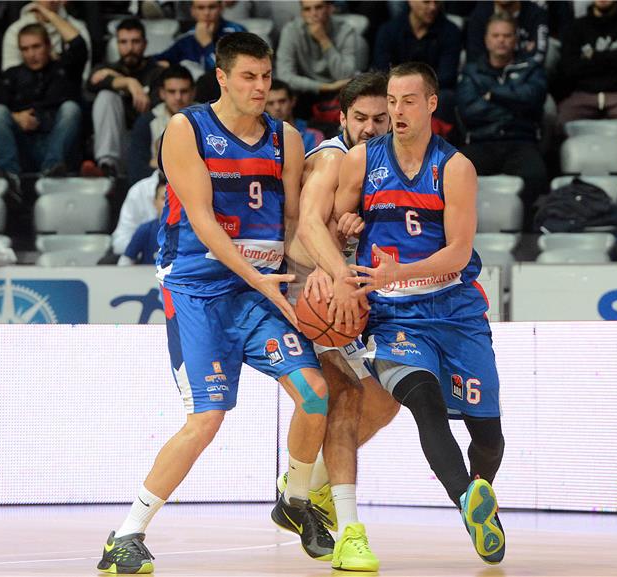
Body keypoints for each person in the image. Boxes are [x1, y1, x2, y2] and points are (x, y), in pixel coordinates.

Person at [96, 32, 333, 574]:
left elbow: (295, 222)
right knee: (206, 419)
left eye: (267, 76)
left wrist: (318, 275)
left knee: (315, 394)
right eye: (248, 77)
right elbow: (202, 223)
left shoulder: (286, 139)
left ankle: (295, 500)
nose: (260, 87)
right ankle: (125, 534)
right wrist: (265, 279)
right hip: (198, 290)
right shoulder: (186, 130)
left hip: (260, 291)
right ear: (222, 78)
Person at [332, 62, 506, 565]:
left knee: (489, 436)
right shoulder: (363, 160)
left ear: (431, 104)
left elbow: (457, 253)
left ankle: (480, 493)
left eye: (408, 101)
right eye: (391, 101)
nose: (397, 110)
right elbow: (341, 224)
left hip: (454, 309)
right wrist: (345, 229)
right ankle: (466, 505)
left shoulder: (455, 168)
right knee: (425, 405)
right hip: (393, 316)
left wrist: (398, 272)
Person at [284, 71, 400, 571]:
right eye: (361, 118)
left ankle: (307, 491)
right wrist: (337, 272)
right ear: (343, 118)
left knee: (388, 395)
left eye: (381, 118)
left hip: (341, 292)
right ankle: (333, 517)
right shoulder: (332, 157)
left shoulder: (387, 162)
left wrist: (352, 229)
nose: (371, 127)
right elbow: (307, 225)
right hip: (306, 288)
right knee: (343, 395)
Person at [457, 12, 547, 229]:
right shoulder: (472, 71)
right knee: (453, 176)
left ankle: (525, 232)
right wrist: (512, 106)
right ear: (487, 40)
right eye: (496, 35)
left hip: (520, 140)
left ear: (516, 40)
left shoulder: (531, 68)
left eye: (507, 36)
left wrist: (493, 95)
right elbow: (469, 110)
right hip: (481, 140)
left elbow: (533, 101)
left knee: (536, 175)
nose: (501, 40)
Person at [0, 20, 86, 186]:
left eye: (36, 46)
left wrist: (48, 12)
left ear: (48, 46)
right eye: (25, 49)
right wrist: (16, 117)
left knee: (71, 109)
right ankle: (9, 176)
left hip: (58, 145)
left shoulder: (65, 70)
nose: (31, 54)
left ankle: (51, 171)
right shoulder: (11, 76)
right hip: (23, 147)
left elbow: (79, 46)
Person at [85, 18, 165, 178]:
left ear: (145, 44)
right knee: (106, 96)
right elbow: (92, 82)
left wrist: (118, 81)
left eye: (135, 42)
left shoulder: (157, 72)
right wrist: (129, 82)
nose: (130, 48)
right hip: (117, 142)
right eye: (124, 42)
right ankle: (107, 166)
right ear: (117, 44)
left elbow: (154, 107)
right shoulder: (108, 67)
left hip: (148, 144)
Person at [556, 0, 617, 128]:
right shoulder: (574, 27)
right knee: (559, 126)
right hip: (583, 96)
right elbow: (570, 68)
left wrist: (591, 56)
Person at [372, 0, 462, 123]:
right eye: (426, 2)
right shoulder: (388, 31)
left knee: (446, 97)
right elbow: (382, 70)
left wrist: (415, 92)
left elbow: (447, 75)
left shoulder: (451, 32)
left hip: (432, 91)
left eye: (437, 2)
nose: (432, 7)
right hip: (394, 89)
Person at [275, 0, 367, 118]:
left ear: (329, 8)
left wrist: (323, 40)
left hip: (339, 90)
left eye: (318, 7)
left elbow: (345, 74)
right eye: (307, 9)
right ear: (302, 13)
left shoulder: (345, 30)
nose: (313, 13)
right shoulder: (291, 31)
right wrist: (324, 87)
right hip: (306, 92)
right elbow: (285, 76)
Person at [127, 65, 195, 185]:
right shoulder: (147, 122)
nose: (178, 97)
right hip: (157, 193)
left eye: (184, 91)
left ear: (193, 92)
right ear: (162, 93)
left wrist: (160, 164)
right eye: (172, 91)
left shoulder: (210, 118)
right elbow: (136, 173)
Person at [153, 0, 246, 80]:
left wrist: (207, 45)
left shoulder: (236, 32)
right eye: (201, 8)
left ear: (221, 8)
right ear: (193, 11)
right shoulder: (186, 38)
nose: (206, 13)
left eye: (212, 7)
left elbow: (228, 73)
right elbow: (154, 61)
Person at [1, 0, 92, 81]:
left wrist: (50, 15)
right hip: (25, 90)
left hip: (63, 89)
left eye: (36, 46)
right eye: (25, 49)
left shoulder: (76, 29)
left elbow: (83, 73)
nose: (52, 1)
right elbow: (9, 73)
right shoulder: (15, 30)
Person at [465, 0, 549, 64]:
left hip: (525, 76)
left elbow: (539, 57)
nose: (501, 40)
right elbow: (475, 58)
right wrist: (524, 53)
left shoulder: (536, 13)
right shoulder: (479, 14)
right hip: (488, 76)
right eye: (495, 35)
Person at [111, 170, 164, 256]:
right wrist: (142, 247)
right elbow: (119, 242)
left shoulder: (193, 186)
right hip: (143, 264)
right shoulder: (139, 191)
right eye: (164, 198)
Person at [265, 79, 324, 153]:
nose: (277, 107)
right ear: (264, 106)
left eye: (282, 101)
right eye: (270, 103)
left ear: (293, 101)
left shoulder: (313, 134)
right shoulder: (259, 137)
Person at [118, 182, 164, 266]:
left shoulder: (189, 231)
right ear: (155, 202)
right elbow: (126, 261)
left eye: (173, 199)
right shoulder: (146, 229)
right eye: (164, 198)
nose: (168, 203)